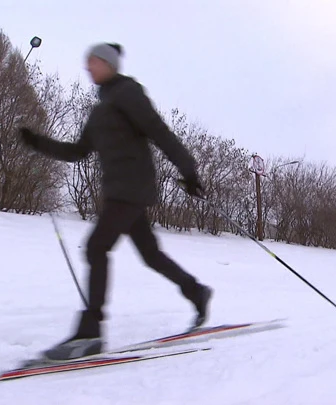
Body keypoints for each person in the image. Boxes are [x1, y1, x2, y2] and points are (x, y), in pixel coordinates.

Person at [17, 42, 212, 362]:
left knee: (96, 247)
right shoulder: (99, 111)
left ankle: (90, 333)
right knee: (150, 255)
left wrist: (188, 171)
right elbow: (78, 152)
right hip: (119, 192)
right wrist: (38, 142)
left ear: (109, 64)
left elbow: (160, 132)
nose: (88, 67)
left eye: (93, 61)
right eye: (86, 62)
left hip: (132, 189)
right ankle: (197, 291)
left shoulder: (128, 94)